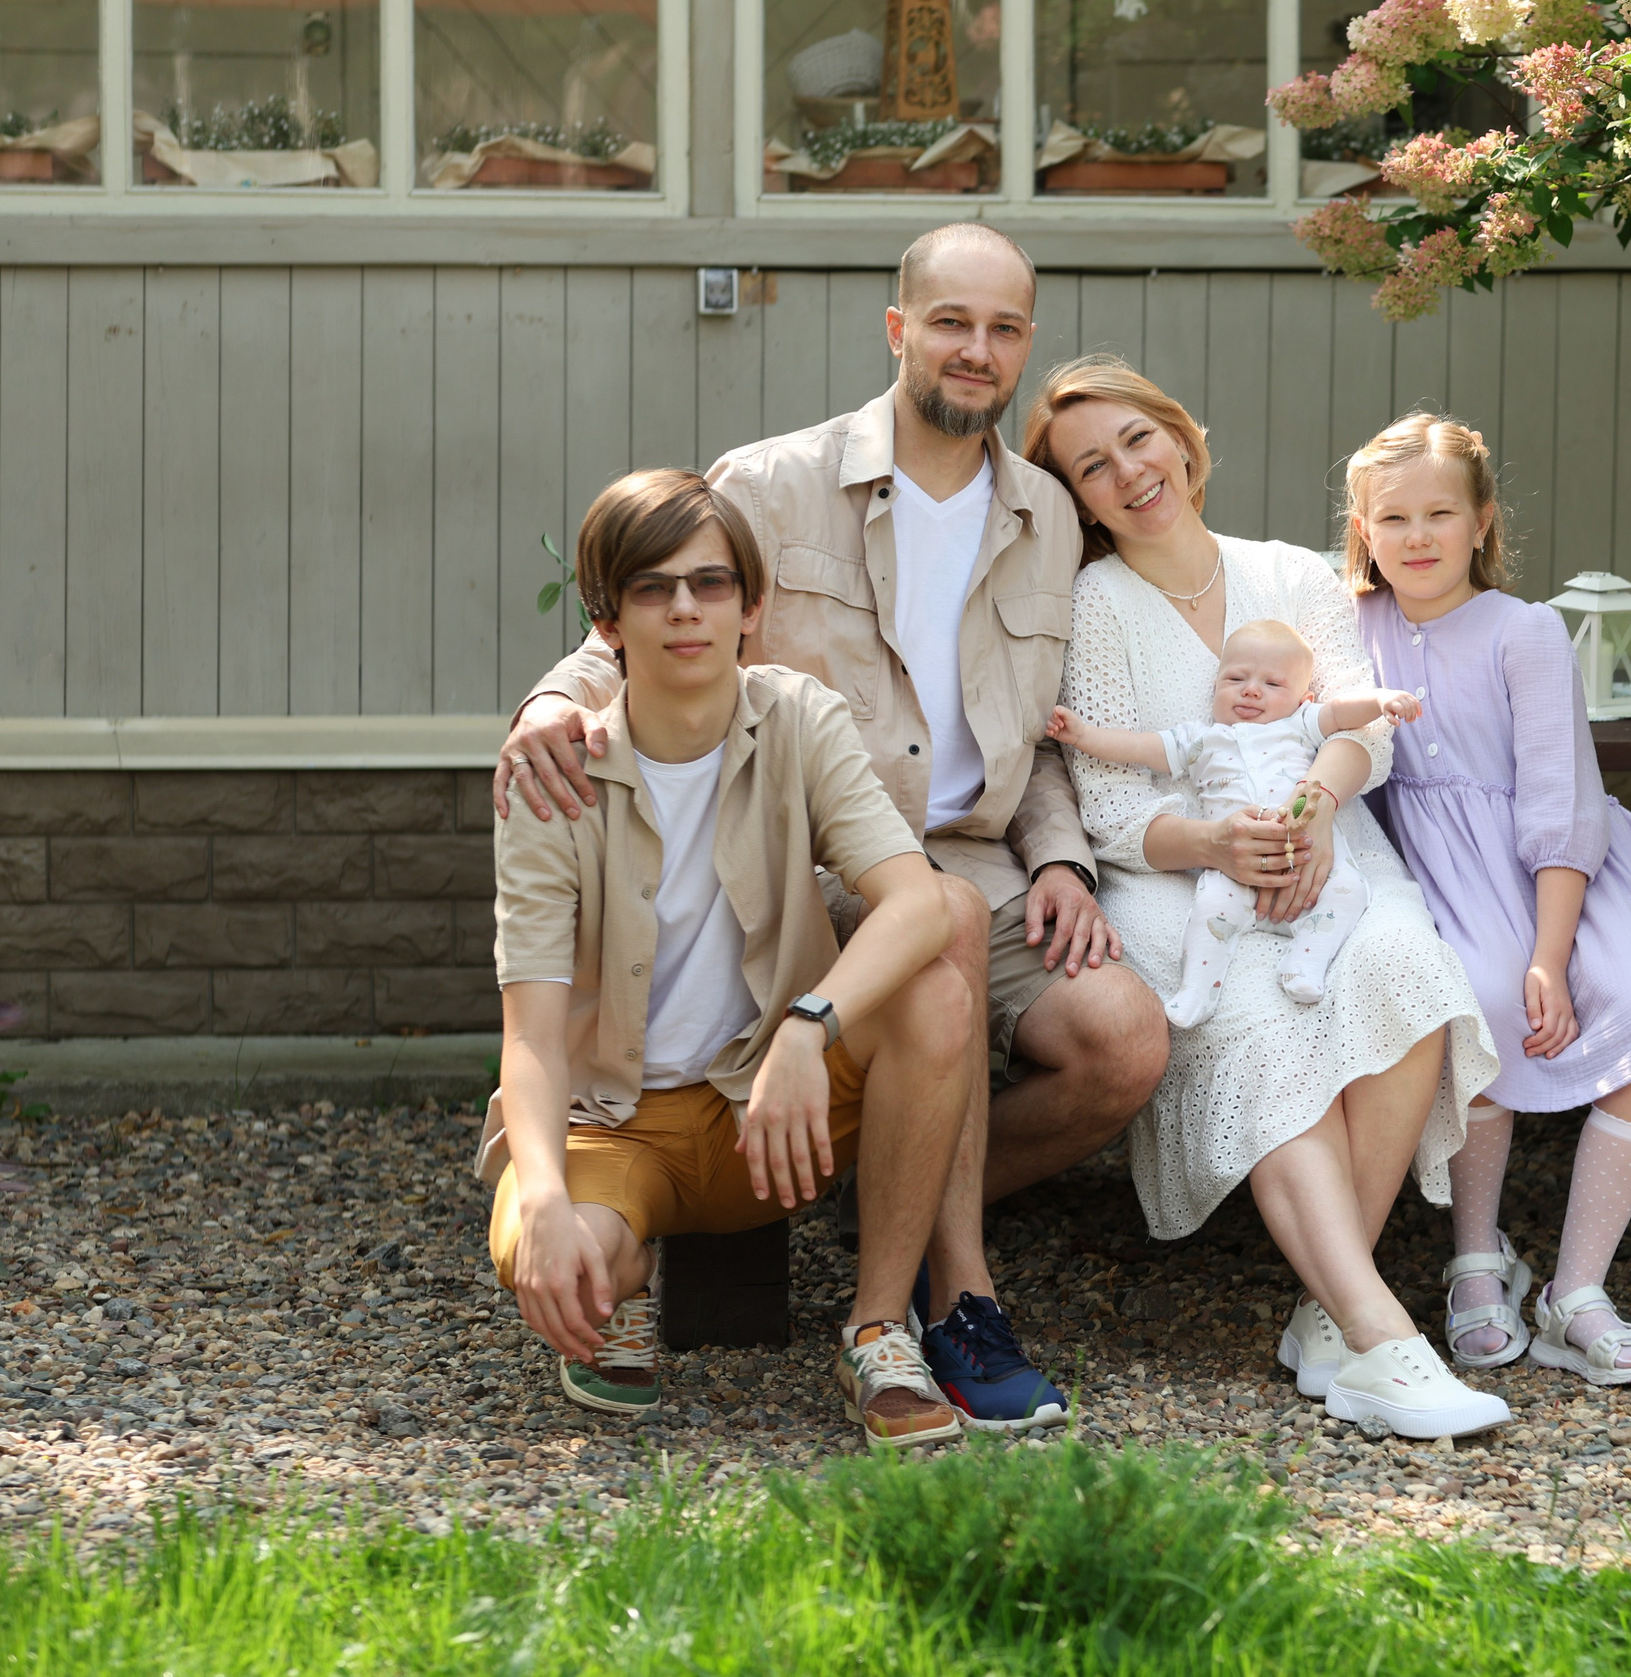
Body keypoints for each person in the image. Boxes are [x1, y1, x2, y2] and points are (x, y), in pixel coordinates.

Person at [492, 224, 1167, 1431]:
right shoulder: (771, 482)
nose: (976, 349)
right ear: (900, 329)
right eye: (950, 322)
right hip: (800, 852)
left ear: (1025, 346)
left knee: (1122, 1041)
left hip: (975, 851)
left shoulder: (1049, 518)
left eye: (1003, 329)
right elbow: (655, 613)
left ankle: (886, 1185)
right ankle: (954, 1300)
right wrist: (552, 702)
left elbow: (1039, 730)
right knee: (941, 925)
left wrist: (1060, 855)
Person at [1025, 354, 1510, 1441]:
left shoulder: (1291, 573)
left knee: (1402, 967)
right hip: (1177, 879)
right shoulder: (1093, 604)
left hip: (1329, 845)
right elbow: (1111, 803)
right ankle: (1382, 1337)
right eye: (1092, 466)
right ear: (1078, 500)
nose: (1128, 473)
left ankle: (1327, 1318)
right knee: (1255, 1013)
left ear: (1181, 440)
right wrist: (1217, 844)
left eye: (1138, 440)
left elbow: (1362, 723)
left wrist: (1314, 810)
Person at [482, 468, 980, 1448]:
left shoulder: (799, 718)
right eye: (653, 587)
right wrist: (540, 1196)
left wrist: (809, 1027)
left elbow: (918, 900)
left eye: (710, 584)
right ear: (608, 619)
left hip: (774, 1108)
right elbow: (532, 1037)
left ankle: (878, 1329)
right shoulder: (554, 777)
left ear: (751, 608)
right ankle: (623, 1280)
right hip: (615, 1123)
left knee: (936, 991)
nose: (685, 609)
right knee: (553, 1252)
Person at [1344, 413, 1631, 1388]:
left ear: (1482, 521)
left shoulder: (1524, 630)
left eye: (1441, 513)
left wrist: (1551, 956)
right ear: (1362, 530)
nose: (1418, 537)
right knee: (1474, 994)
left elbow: (1560, 801)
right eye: (1393, 518)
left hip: (1561, 873)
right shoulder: (1350, 626)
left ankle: (1577, 1290)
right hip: (1435, 870)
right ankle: (1477, 1258)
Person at [1043, 619, 1421, 1026]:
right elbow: (1138, 746)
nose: (1251, 690)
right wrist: (1083, 735)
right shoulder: (1200, 740)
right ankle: (1197, 990)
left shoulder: (1299, 723)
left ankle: (1305, 962)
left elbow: (1342, 711)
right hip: (1234, 868)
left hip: (1307, 862)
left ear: (1302, 699)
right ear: (1215, 687)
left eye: (1272, 684)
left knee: (1349, 891)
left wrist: (1380, 700)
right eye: (1236, 678)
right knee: (1209, 908)